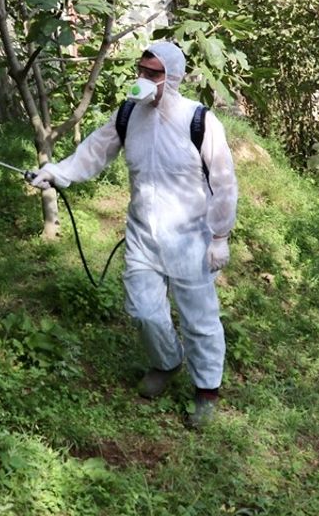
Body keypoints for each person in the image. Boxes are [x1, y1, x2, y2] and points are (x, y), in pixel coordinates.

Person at [30, 41, 238, 428]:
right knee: (143, 311)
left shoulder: (200, 121)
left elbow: (224, 183)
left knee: (200, 319)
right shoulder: (128, 113)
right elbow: (95, 150)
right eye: (141, 70)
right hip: (142, 234)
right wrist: (56, 173)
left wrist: (220, 236)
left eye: (153, 74)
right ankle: (167, 362)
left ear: (171, 78)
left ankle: (207, 390)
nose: (142, 79)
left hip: (191, 238)